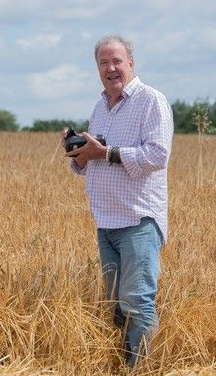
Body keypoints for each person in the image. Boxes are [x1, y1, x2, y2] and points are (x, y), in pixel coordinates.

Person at [62, 35, 173, 368]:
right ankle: (124, 364)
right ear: (97, 68)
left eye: (117, 61)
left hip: (138, 221)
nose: (111, 69)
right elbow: (95, 159)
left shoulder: (151, 101)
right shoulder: (101, 107)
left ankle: (139, 369)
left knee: (137, 300)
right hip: (106, 222)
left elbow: (157, 155)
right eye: (103, 63)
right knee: (117, 305)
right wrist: (79, 155)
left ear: (131, 63)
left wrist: (105, 152)